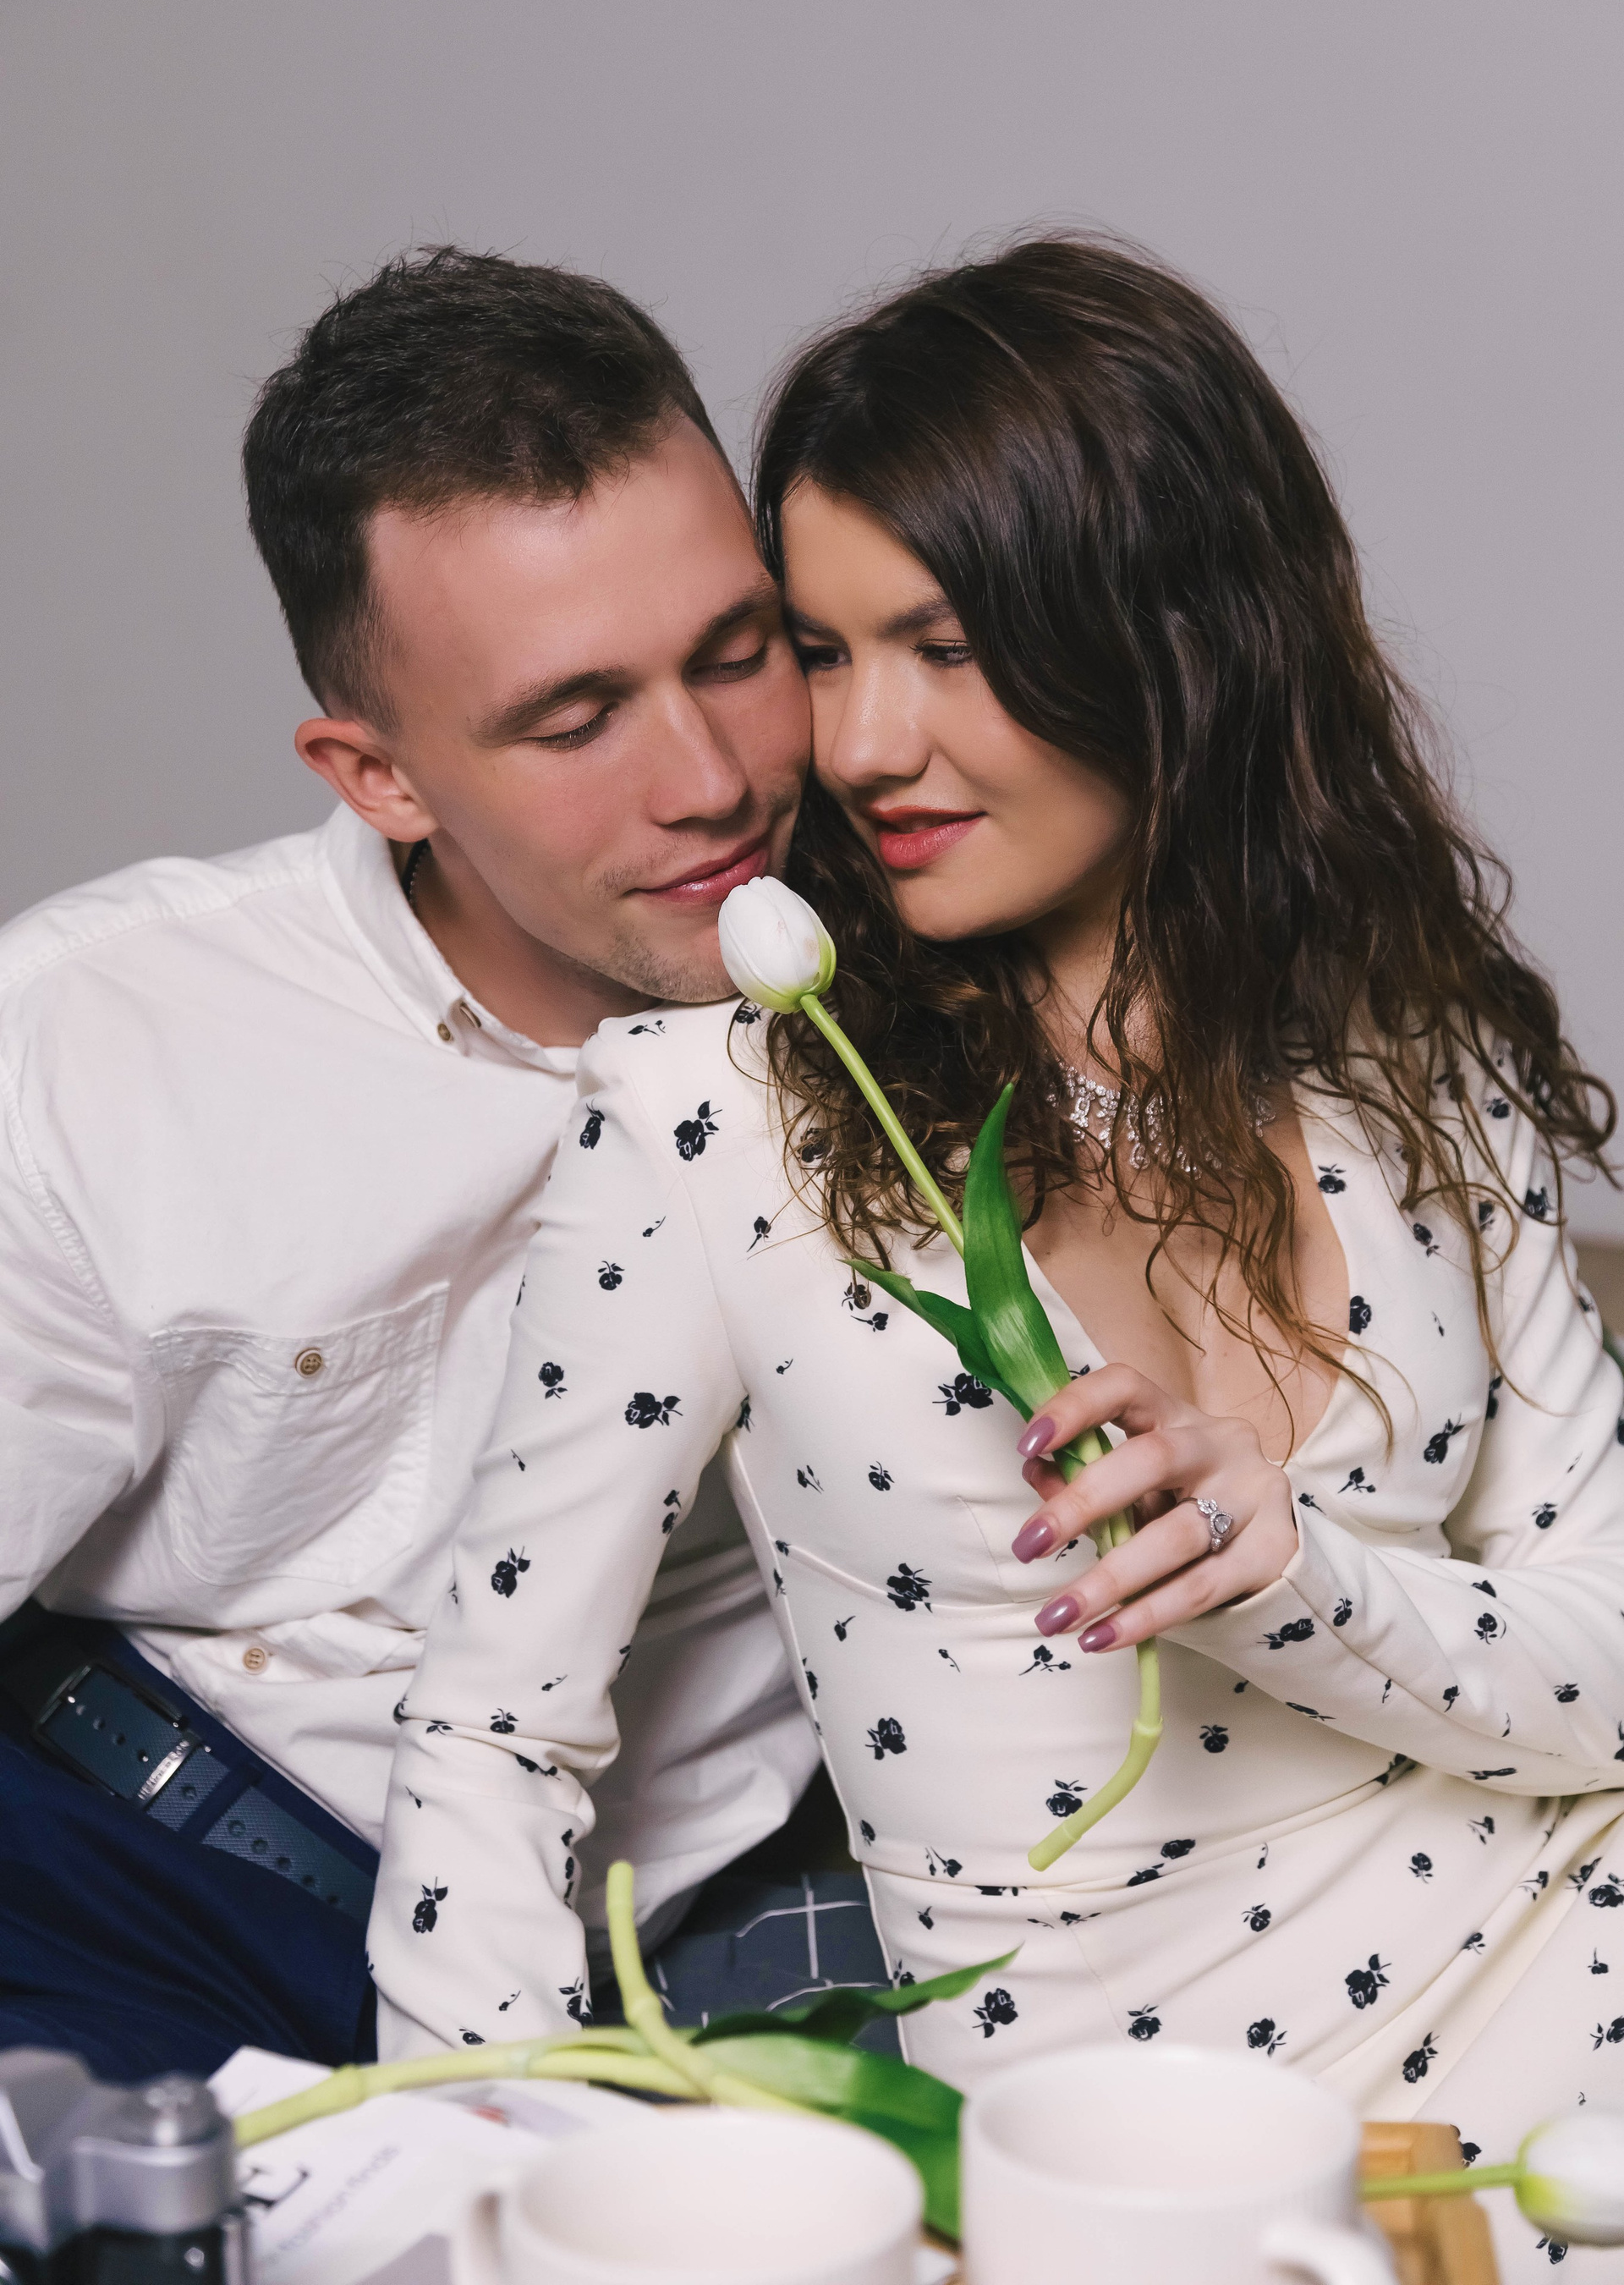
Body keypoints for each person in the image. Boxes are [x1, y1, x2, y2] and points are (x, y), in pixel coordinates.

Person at [370, 238, 1624, 2278]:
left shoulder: (1416, 1063)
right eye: (822, 651)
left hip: (1577, 1975)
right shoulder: (720, 1123)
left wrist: (1298, 1581)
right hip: (1157, 2168)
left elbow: (1611, 1667)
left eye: (944, 647)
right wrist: (469, 2226)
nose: (862, 746)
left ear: (1168, 637)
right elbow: (497, 1743)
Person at [0, 245, 894, 2084]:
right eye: (577, 720)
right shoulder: (92, 1045)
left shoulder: (937, 941)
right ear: (378, 776)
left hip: (674, 1943)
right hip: (136, 1875)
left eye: (739, 654)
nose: (711, 779)